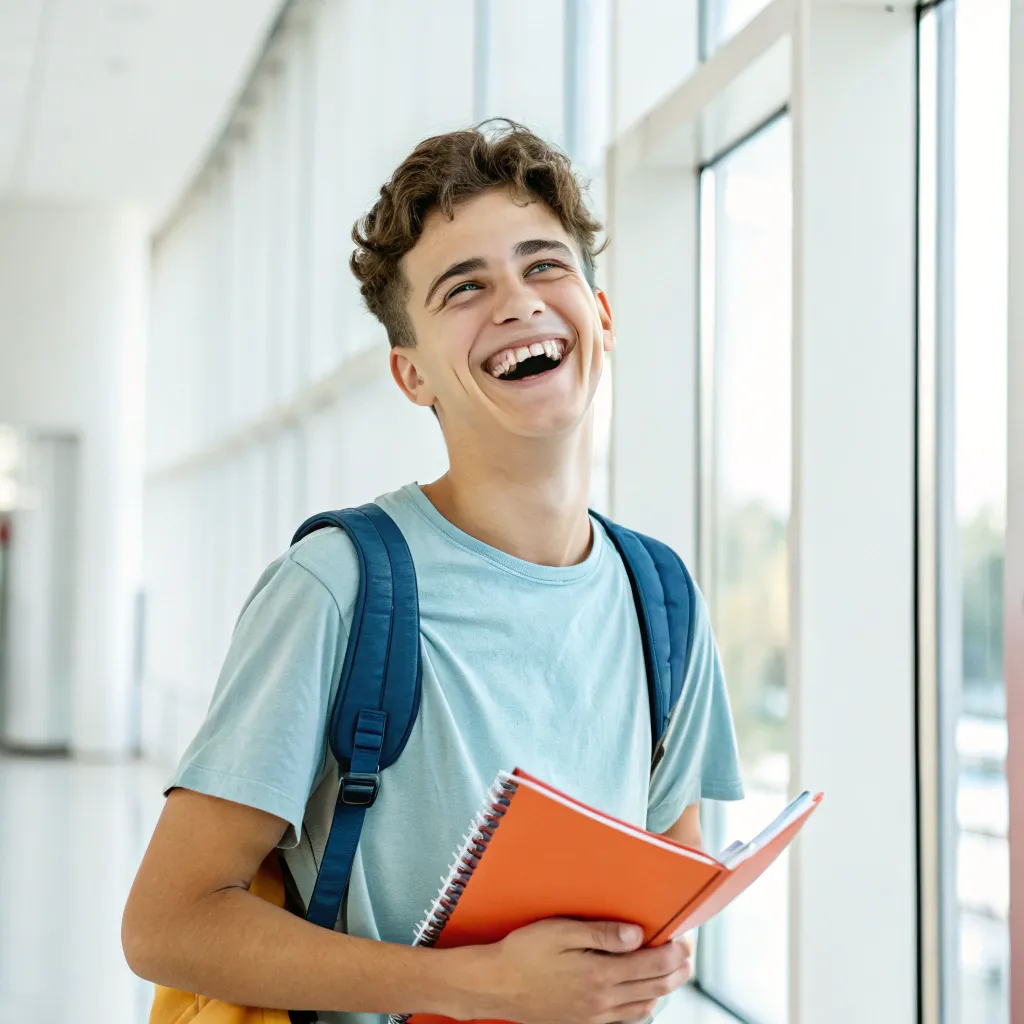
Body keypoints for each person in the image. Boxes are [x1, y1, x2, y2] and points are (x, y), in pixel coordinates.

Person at [122, 120, 744, 1024]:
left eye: (544, 265)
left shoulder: (664, 599)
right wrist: (482, 983)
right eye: (466, 287)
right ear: (412, 375)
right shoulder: (338, 587)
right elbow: (166, 925)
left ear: (600, 317)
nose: (518, 302)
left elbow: (662, 891)